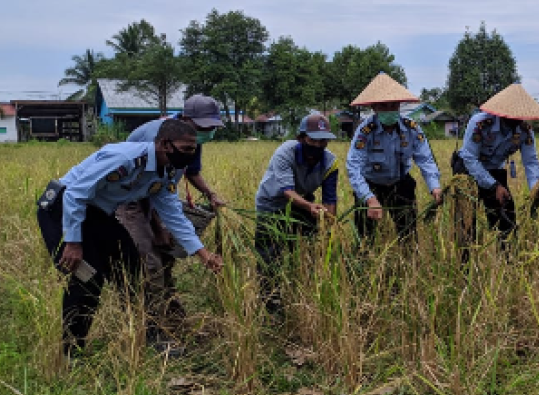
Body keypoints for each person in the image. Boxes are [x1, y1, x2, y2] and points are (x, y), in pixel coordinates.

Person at [35, 119, 224, 360]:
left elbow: (173, 213)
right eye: (186, 149)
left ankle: (150, 337)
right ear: (165, 144)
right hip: (61, 208)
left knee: (133, 268)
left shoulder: (171, 170)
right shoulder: (126, 159)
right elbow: (75, 193)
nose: (191, 154)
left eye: (193, 149)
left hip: (98, 213)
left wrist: (203, 254)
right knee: (87, 278)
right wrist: (73, 243)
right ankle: (71, 353)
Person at [119, 94, 227, 328]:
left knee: (167, 253)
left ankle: (169, 307)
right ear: (187, 119)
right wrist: (158, 228)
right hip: (131, 196)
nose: (207, 132)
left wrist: (210, 194)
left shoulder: (189, 139)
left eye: (212, 127)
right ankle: (150, 324)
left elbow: (186, 175)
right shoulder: (158, 138)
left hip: (161, 193)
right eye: (203, 127)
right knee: (148, 257)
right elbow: (145, 191)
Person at [253, 113, 339, 317]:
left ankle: (302, 293)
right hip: (272, 204)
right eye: (313, 140)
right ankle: (270, 303)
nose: (319, 145)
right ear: (301, 138)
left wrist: (330, 224)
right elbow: (287, 191)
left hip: (303, 203)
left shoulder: (330, 163)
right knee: (269, 256)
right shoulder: (285, 152)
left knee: (306, 249)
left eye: (324, 140)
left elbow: (330, 199)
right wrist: (310, 207)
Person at [345, 72, 443, 241]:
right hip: (371, 184)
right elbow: (353, 167)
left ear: (399, 105)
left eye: (393, 105)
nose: (389, 110)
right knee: (365, 238)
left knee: (409, 236)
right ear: (374, 108)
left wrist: (434, 186)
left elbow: (425, 158)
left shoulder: (411, 128)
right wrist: (369, 199)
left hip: (400, 182)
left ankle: (407, 262)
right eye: (384, 106)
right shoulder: (365, 131)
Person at [456, 83, 539, 240]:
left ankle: (507, 258)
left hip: (495, 170)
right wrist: (494, 185)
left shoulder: (525, 131)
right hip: (468, 170)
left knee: (507, 220)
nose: (516, 118)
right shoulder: (480, 123)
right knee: (466, 220)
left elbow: (531, 161)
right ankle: (465, 261)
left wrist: (534, 190)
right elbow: (470, 158)